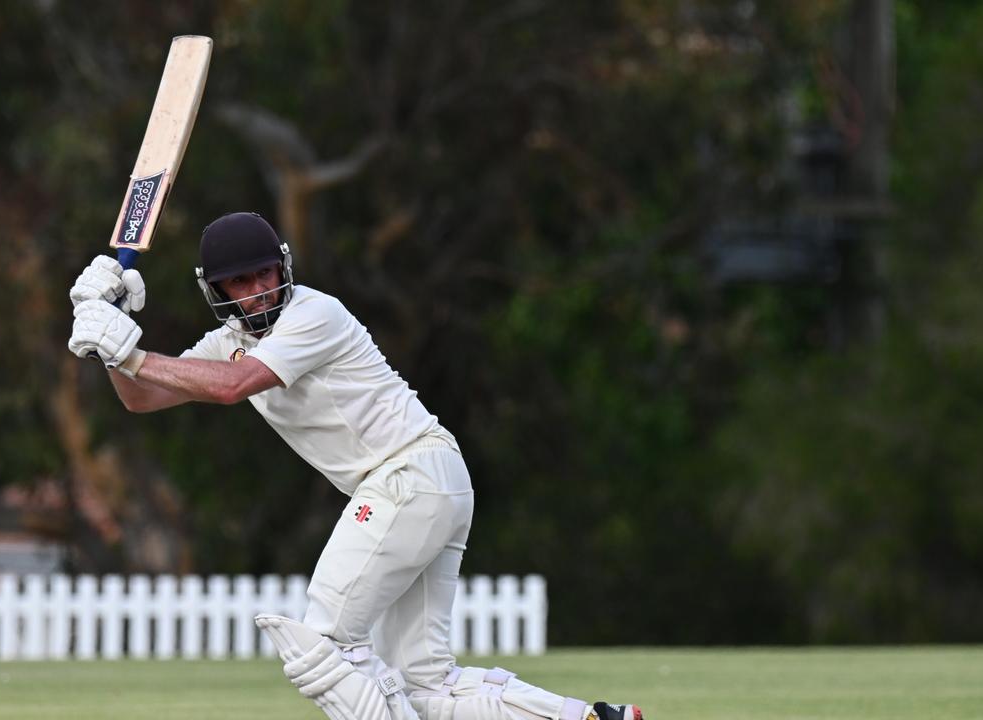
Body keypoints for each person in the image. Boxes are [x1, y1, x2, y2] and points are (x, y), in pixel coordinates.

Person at [67, 212, 644, 720]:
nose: (260, 290)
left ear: (283, 267)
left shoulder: (314, 314)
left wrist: (132, 350)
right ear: (216, 289)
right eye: (241, 281)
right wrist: (111, 334)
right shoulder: (227, 343)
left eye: (266, 273)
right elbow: (143, 398)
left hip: (408, 476)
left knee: (321, 646)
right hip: (427, 481)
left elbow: (233, 387)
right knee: (427, 685)